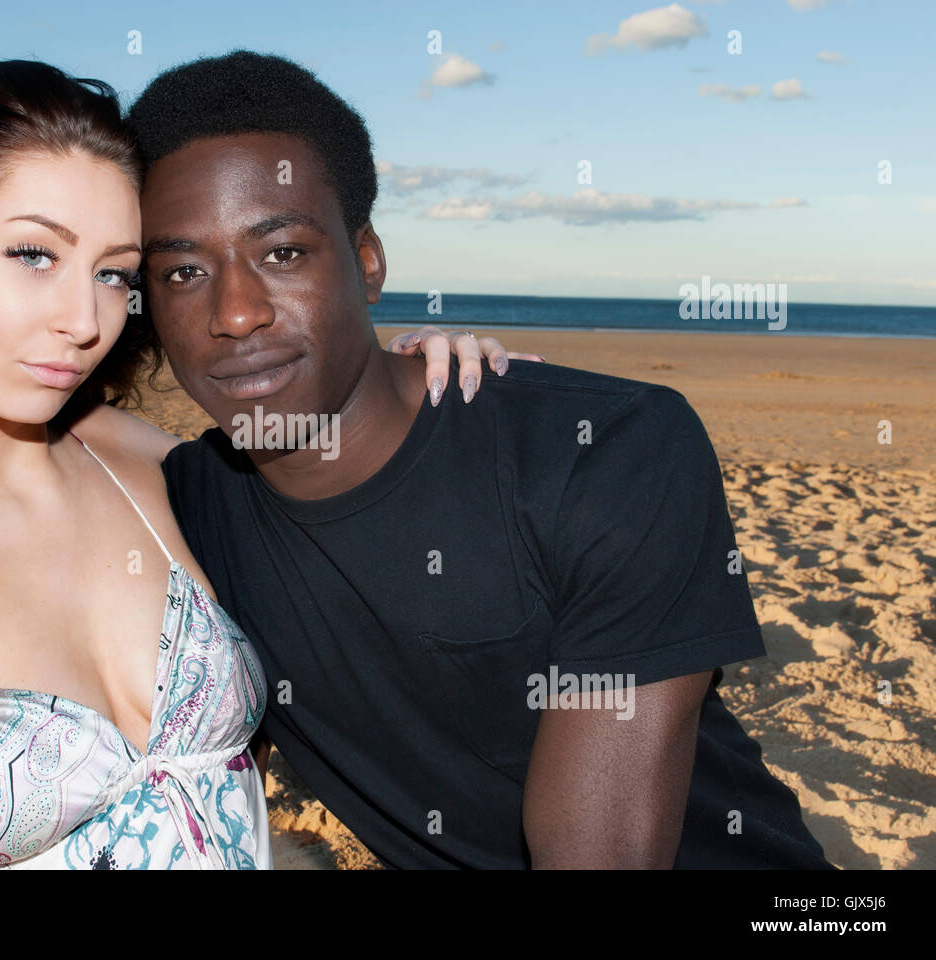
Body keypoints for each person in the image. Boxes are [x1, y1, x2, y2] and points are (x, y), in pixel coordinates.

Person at [0, 59, 494, 870]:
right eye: (33, 254)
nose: (83, 318)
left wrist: (419, 379)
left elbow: (349, 506)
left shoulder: (145, 467)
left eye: (113, 274)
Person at [133, 50, 835, 869]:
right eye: (185, 271)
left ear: (367, 263)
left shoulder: (612, 452)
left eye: (282, 252)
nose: (237, 313)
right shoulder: (181, 512)